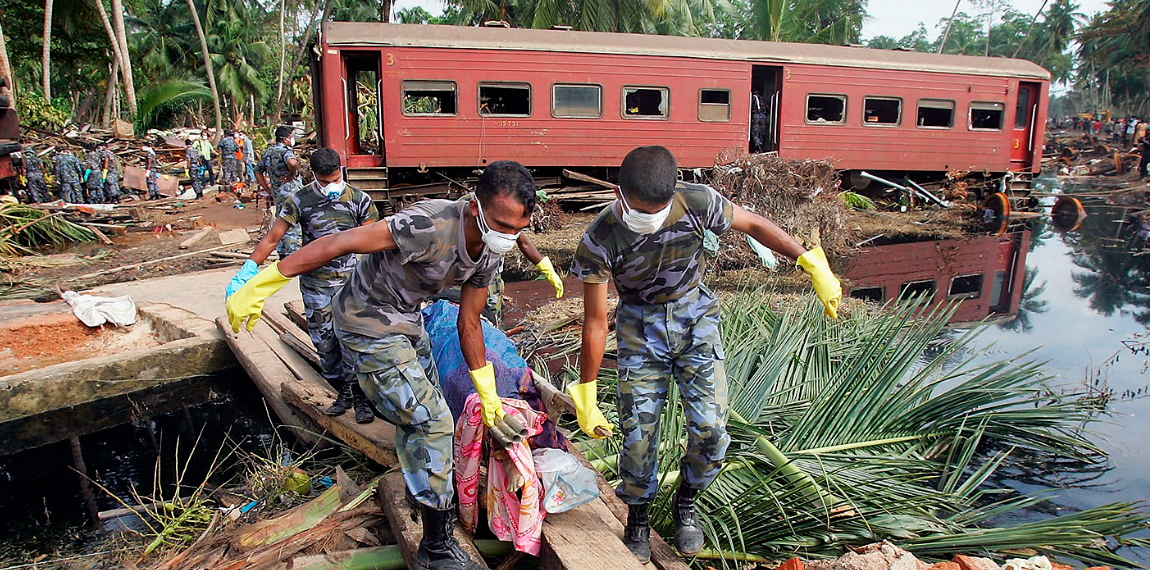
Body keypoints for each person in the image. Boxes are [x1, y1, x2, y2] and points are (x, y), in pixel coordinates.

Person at [227, 160, 539, 570]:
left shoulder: (492, 250)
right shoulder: (427, 225)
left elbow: (469, 322)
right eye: (500, 225)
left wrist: (488, 394)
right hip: (365, 320)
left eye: (517, 229)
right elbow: (341, 242)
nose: (507, 237)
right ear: (474, 207)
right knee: (433, 422)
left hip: (407, 319)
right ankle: (436, 546)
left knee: (429, 409)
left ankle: (421, 487)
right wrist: (265, 280)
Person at [567, 146, 842, 561]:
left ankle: (686, 502)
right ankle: (637, 515)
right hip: (639, 327)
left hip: (695, 318)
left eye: (656, 211)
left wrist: (808, 260)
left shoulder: (697, 201)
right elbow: (594, 320)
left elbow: (754, 223)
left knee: (712, 430)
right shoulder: (600, 238)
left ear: (672, 194)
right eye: (639, 211)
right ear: (618, 194)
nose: (648, 218)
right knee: (638, 437)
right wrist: (587, 390)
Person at [228, 148, 382, 424]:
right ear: (313, 176)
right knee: (324, 342)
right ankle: (342, 393)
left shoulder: (359, 199)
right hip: (315, 285)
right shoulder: (299, 200)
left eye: (335, 180)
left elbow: (374, 240)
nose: (331, 187)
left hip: (351, 283)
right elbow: (273, 238)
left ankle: (361, 398)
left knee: (353, 340)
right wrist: (248, 271)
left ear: (341, 171)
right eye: (324, 182)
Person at [256, 126, 300, 202]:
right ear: (285, 139)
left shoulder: (268, 152)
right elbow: (292, 163)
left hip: (277, 194)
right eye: (290, 137)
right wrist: (291, 175)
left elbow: (257, 171)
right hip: (291, 193)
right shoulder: (285, 151)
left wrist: (267, 189)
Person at [750, 89, 768, 153]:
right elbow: (767, 108)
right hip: (763, 116)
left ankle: (758, 148)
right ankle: (761, 147)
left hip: (756, 116)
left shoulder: (753, 98)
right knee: (761, 132)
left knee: (755, 132)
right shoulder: (762, 98)